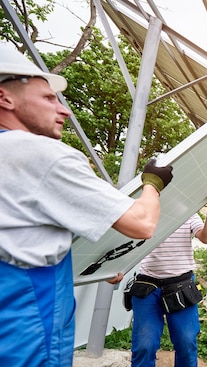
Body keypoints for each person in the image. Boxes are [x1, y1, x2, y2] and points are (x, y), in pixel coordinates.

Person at [0, 45, 174, 366]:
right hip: (27, 332)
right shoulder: (39, 153)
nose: (63, 110)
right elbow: (142, 223)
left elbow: (23, 243)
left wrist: (96, 267)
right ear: (5, 98)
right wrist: (153, 181)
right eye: (49, 98)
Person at [130, 188, 207, 367]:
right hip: (148, 285)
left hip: (180, 285)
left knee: (186, 343)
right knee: (144, 344)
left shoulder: (187, 213)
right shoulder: (144, 213)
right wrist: (112, 269)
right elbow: (122, 243)